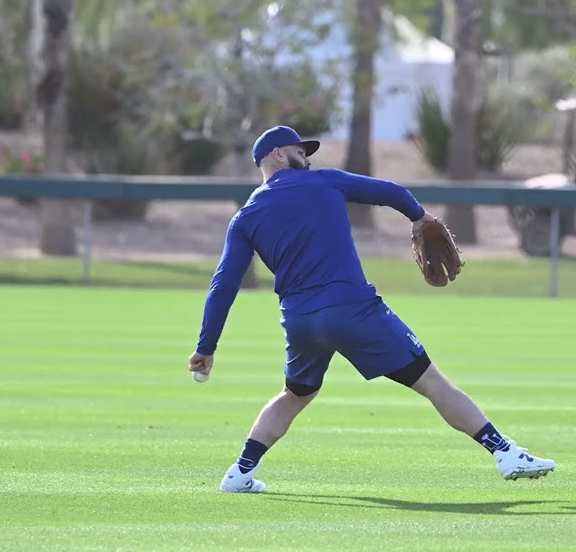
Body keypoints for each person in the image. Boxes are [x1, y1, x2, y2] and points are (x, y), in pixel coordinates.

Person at [189, 125, 556, 493]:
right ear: (278, 155)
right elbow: (392, 191)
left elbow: (224, 285)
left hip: (300, 321)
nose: (307, 157)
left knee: (295, 395)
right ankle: (505, 452)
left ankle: (240, 473)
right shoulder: (324, 181)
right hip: (353, 310)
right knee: (431, 381)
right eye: (299, 150)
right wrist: (419, 216)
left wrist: (206, 347)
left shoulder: (245, 217)